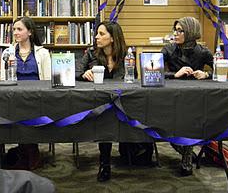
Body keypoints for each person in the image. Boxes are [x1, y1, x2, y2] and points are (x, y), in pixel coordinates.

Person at [76, 21, 152, 182]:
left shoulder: (126, 55)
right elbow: (76, 72)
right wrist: (84, 74)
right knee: (106, 118)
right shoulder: (91, 53)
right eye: (97, 33)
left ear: (112, 38)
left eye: (101, 34)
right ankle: (105, 164)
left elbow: (133, 78)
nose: (96, 37)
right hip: (99, 103)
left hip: (122, 102)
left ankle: (131, 151)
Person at [161, 16, 213, 176]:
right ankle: (187, 153)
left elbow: (221, 70)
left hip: (195, 97)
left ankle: (187, 155)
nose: (175, 34)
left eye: (180, 31)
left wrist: (205, 74)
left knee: (189, 120)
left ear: (190, 33)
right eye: (175, 30)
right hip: (171, 97)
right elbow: (153, 72)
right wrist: (174, 74)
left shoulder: (203, 51)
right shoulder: (168, 49)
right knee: (166, 124)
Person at [5, 16, 51, 170]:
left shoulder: (43, 53)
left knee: (29, 113)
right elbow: (4, 80)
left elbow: (48, 80)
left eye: (19, 29)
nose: (15, 32)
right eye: (14, 29)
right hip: (14, 97)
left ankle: (29, 153)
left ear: (30, 32)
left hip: (37, 98)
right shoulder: (8, 52)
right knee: (18, 112)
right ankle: (28, 153)